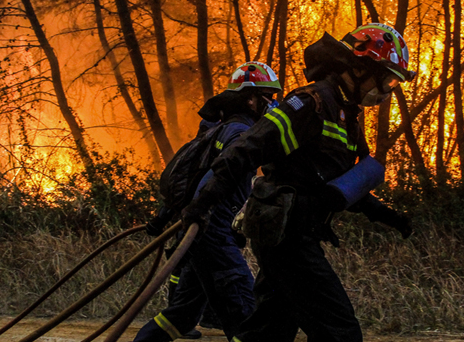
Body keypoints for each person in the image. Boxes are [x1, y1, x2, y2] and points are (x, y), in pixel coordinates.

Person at [181, 23, 415, 342]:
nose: (387, 90)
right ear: (362, 67)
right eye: (388, 79)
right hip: (286, 236)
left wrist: (390, 217)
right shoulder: (310, 103)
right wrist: (202, 204)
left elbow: (342, 184)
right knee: (339, 330)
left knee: (268, 331)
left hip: (296, 232)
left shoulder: (347, 117)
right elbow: (246, 149)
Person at [134, 61, 282, 342]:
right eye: (268, 97)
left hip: (202, 230)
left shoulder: (220, 129)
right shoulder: (241, 134)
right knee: (247, 314)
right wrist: (203, 214)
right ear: (250, 99)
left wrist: (168, 216)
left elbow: (193, 181)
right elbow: (211, 180)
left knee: (182, 315)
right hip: (212, 231)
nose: (272, 104)